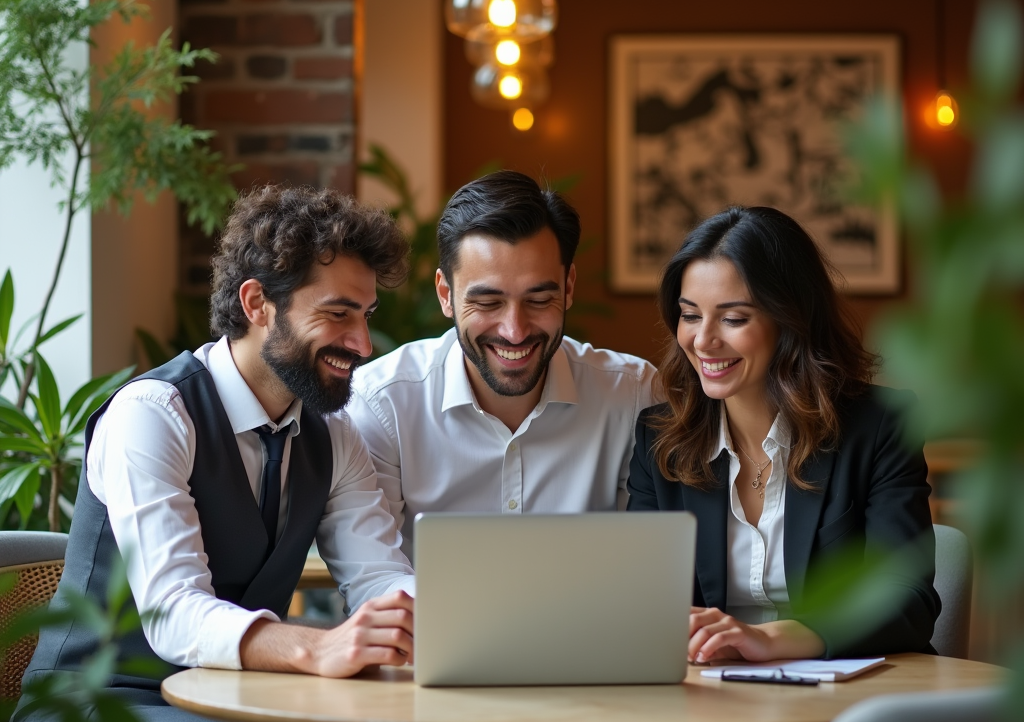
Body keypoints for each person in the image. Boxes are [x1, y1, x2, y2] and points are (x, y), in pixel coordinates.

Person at [15, 186, 417, 722]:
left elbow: (378, 575)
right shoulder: (153, 414)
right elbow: (174, 613)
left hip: (237, 699)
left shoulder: (334, 435)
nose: (365, 343)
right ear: (257, 305)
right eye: (338, 313)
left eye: (366, 314)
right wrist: (317, 648)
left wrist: (428, 623)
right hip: (101, 701)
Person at [627, 206, 940, 662]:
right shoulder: (660, 439)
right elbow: (642, 599)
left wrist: (772, 640)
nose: (703, 340)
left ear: (791, 321)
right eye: (690, 315)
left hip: (849, 694)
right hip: (710, 694)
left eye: (733, 318)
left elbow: (907, 598)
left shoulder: (879, 427)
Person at [348, 171, 656, 554]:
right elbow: (376, 570)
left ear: (569, 287)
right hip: (431, 617)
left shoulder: (634, 395)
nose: (514, 331)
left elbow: (649, 558)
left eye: (539, 300)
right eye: (488, 302)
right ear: (446, 295)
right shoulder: (383, 404)